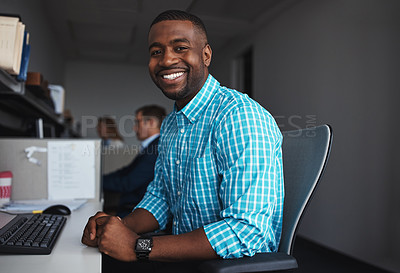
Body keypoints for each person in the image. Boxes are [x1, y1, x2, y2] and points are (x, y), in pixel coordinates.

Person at [82, 10, 284, 269]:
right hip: (183, 255)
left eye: (180, 47)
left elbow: (247, 231)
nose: (166, 60)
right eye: (156, 52)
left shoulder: (238, 116)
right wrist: (115, 228)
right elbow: (161, 198)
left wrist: (137, 246)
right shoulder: (170, 124)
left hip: (226, 265)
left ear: (206, 55)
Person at [102, 105, 166, 218]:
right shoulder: (151, 146)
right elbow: (126, 171)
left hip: (135, 212)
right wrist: (98, 180)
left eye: (138, 122)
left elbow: (128, 183)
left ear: (151, 123)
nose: (134, 128)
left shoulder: (156, 148)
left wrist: (97, 183)